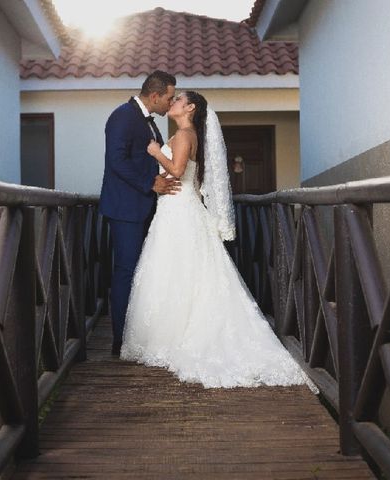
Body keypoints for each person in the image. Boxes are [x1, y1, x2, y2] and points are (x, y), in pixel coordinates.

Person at [120, 91, 315, 390]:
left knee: (181, 271)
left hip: (180, 211)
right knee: (178, 272)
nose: (172, 102)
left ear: (191, 108)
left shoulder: (185, 135)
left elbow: (178, 170)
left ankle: (181, 336)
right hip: (174, 210)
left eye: (178, 99)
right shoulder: (186, 133)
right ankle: (172, 334)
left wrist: (157, 153)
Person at [100, 71, 181, 356]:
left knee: (143, 273)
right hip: (125, 209)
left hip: (144, 207)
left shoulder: (148, 122)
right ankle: (120, 341)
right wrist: (150, 183)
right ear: (155, 95)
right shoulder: (123, 116)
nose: (170, 104)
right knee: (126, 271)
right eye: (169, 98)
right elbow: (116, 160)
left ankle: (140, 335)